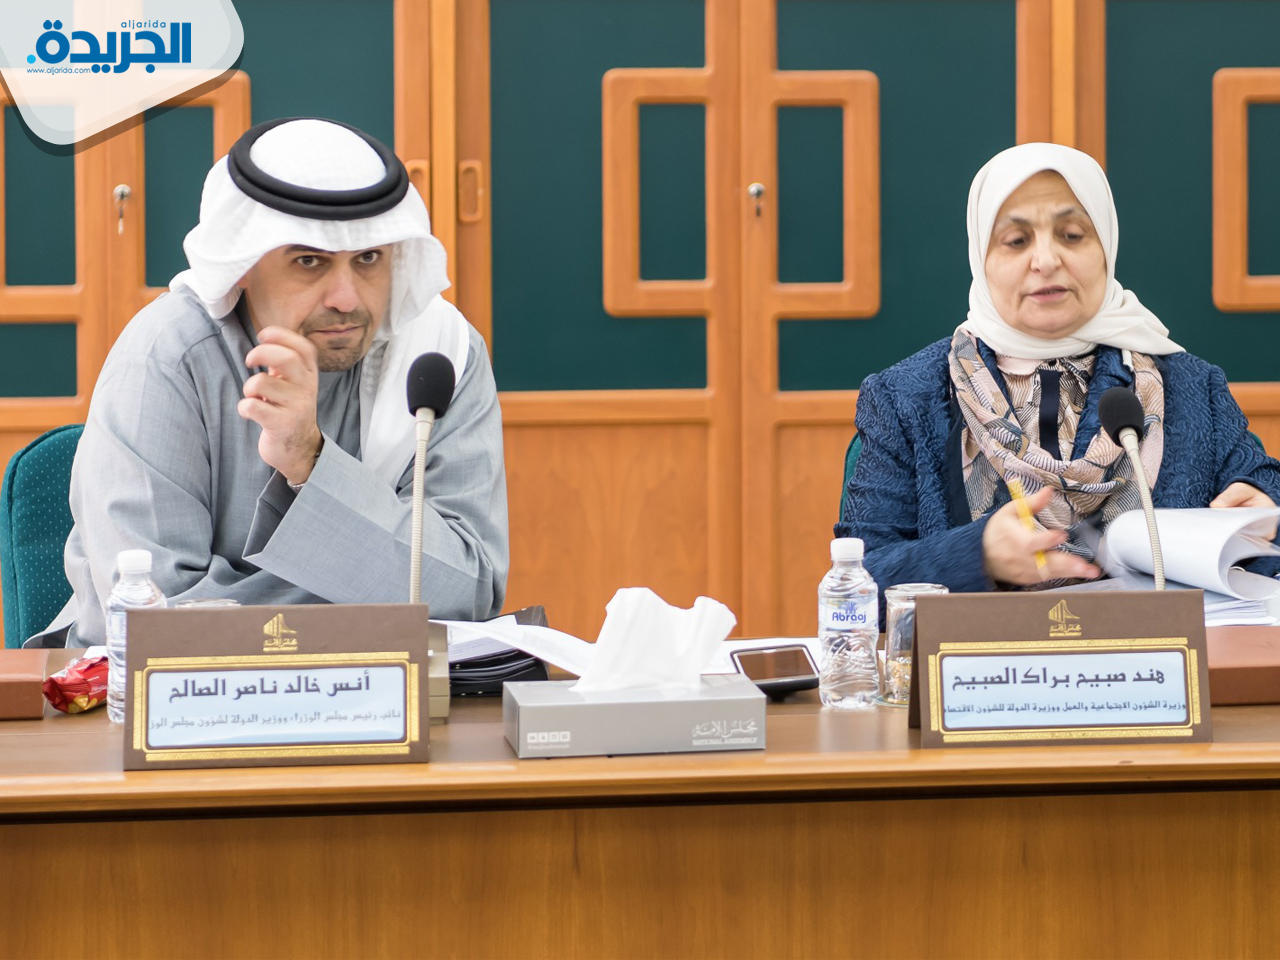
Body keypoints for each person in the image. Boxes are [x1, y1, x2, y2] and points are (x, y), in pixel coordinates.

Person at [44, 117, 508, 646]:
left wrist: (310, 461)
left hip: (382, 684)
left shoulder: (438, 353)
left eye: (368, 259)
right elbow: (153, 620)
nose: (346, 298)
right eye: (309, 261)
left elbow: (469, 592)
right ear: (242, 264)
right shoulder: (166, 357)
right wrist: (380, 592)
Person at [836, 141, 1280, 594]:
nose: (1046, 261)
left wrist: (1264, 518)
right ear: (981, 258)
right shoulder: (907, 397)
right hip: (987, 643)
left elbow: (1264, 501)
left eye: (1071, 235)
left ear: (1106, 245)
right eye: (1016, 241)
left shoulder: (1190, 385)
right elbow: (858, 582)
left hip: (1155, 641)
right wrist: (975, 554)